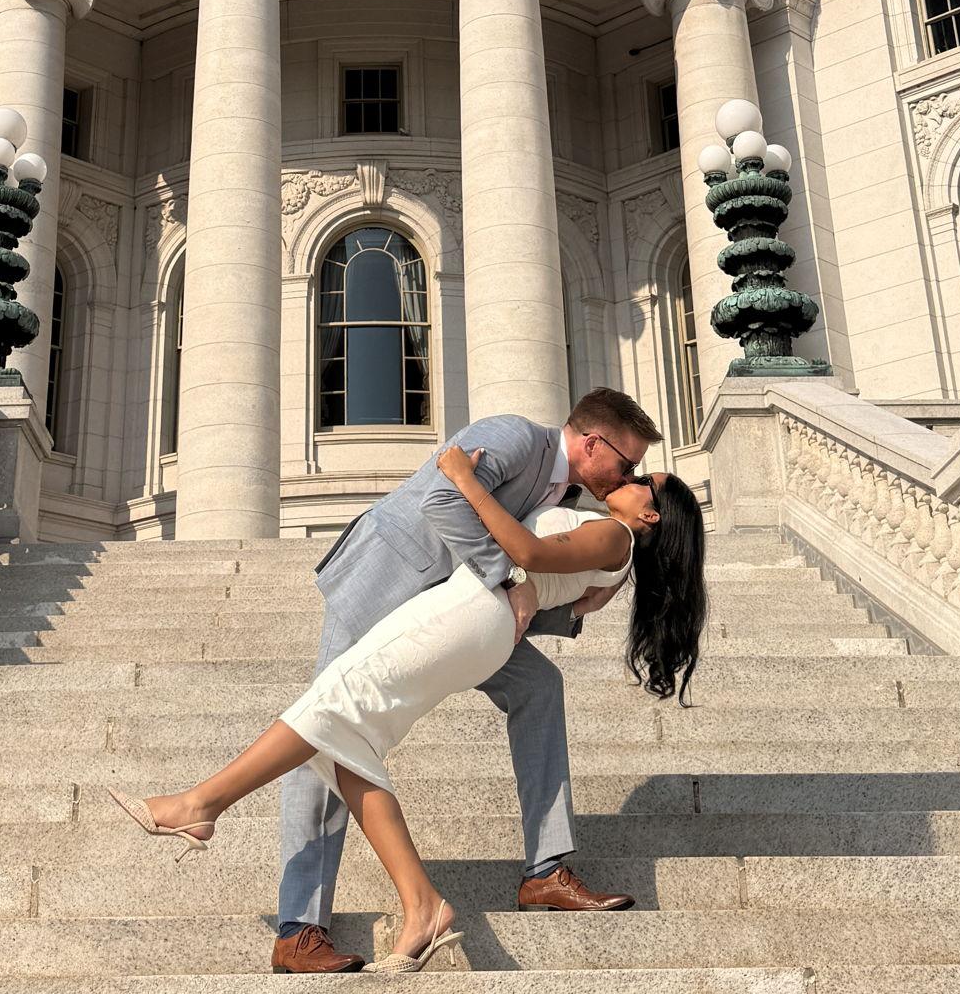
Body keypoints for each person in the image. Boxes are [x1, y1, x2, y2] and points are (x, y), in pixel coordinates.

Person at [111, 388, 706, 973]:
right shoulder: (515, 438)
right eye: (628, 463)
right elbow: (441, 504)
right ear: (593, 442)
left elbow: (548, 563)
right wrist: (511, 579)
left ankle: (546, 871)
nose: (631, 474)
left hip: (467, 611)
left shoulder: (584, 502)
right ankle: (300, 928)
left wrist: (527, 589)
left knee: (536, 687)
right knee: (327, 723)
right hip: (391, 580)